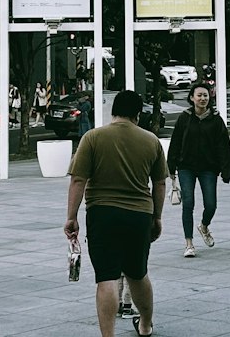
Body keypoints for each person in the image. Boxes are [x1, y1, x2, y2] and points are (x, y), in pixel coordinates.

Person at [65, 89, 168, 337]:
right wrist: (157, 217)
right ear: (137, 114)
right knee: (137, 272)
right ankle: (145, 324)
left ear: (113, 111)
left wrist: (71, 217)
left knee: (107, 277)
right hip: (138, 215)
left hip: (102, 214)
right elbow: (161, 183)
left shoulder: (92, 137)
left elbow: (79, 179)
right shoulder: (151, 140)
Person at [166, 80, 230, 258]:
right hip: (186, 166)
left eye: (205, 95)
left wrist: (226, 169)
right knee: (188, 203)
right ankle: (189, 243)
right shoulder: (184, 117)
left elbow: (224, 146)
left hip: (208, 168)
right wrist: (171, 166)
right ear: (192, 98)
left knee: (211, 204)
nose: (203, 98)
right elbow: (175, 142)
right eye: (199, 95)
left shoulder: (216, 119)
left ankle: (204, 225)